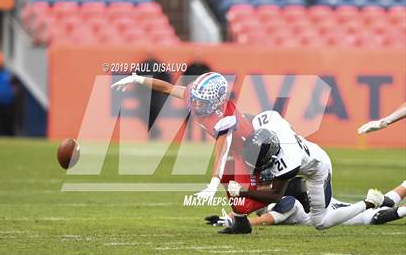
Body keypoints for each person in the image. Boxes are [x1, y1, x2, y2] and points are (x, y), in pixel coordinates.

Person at [112, 72, 279, 234]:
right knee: (228, 183)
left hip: (249, 153)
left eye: (202, 102)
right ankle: (241, 223)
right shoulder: (195, 95)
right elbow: (168, 88)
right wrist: (138, 79)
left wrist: (213, 181)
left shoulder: (225, 118)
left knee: (241, 200)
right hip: (236, 149)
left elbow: (222, 149)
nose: (197, 104)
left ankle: (281, 196)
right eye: (196, 100)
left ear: (217, 101)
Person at [228, 110, 384, 230]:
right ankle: (297, 190)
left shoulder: (288, 161)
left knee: (320, 222)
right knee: (262, 178)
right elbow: (247, 120)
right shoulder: (267, 122)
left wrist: (243, 192)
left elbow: (274, 196)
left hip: (317, 169)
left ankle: (369, 202)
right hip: (302, 156)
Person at [206, 181, 406, 227]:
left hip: (353, 215)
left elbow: (264, 219)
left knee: (376, 213)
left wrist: (233, 222)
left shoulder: (291, 204)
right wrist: (229, 217)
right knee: (385, 202)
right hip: (342, 208)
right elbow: (255, 205)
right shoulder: (282, 200)